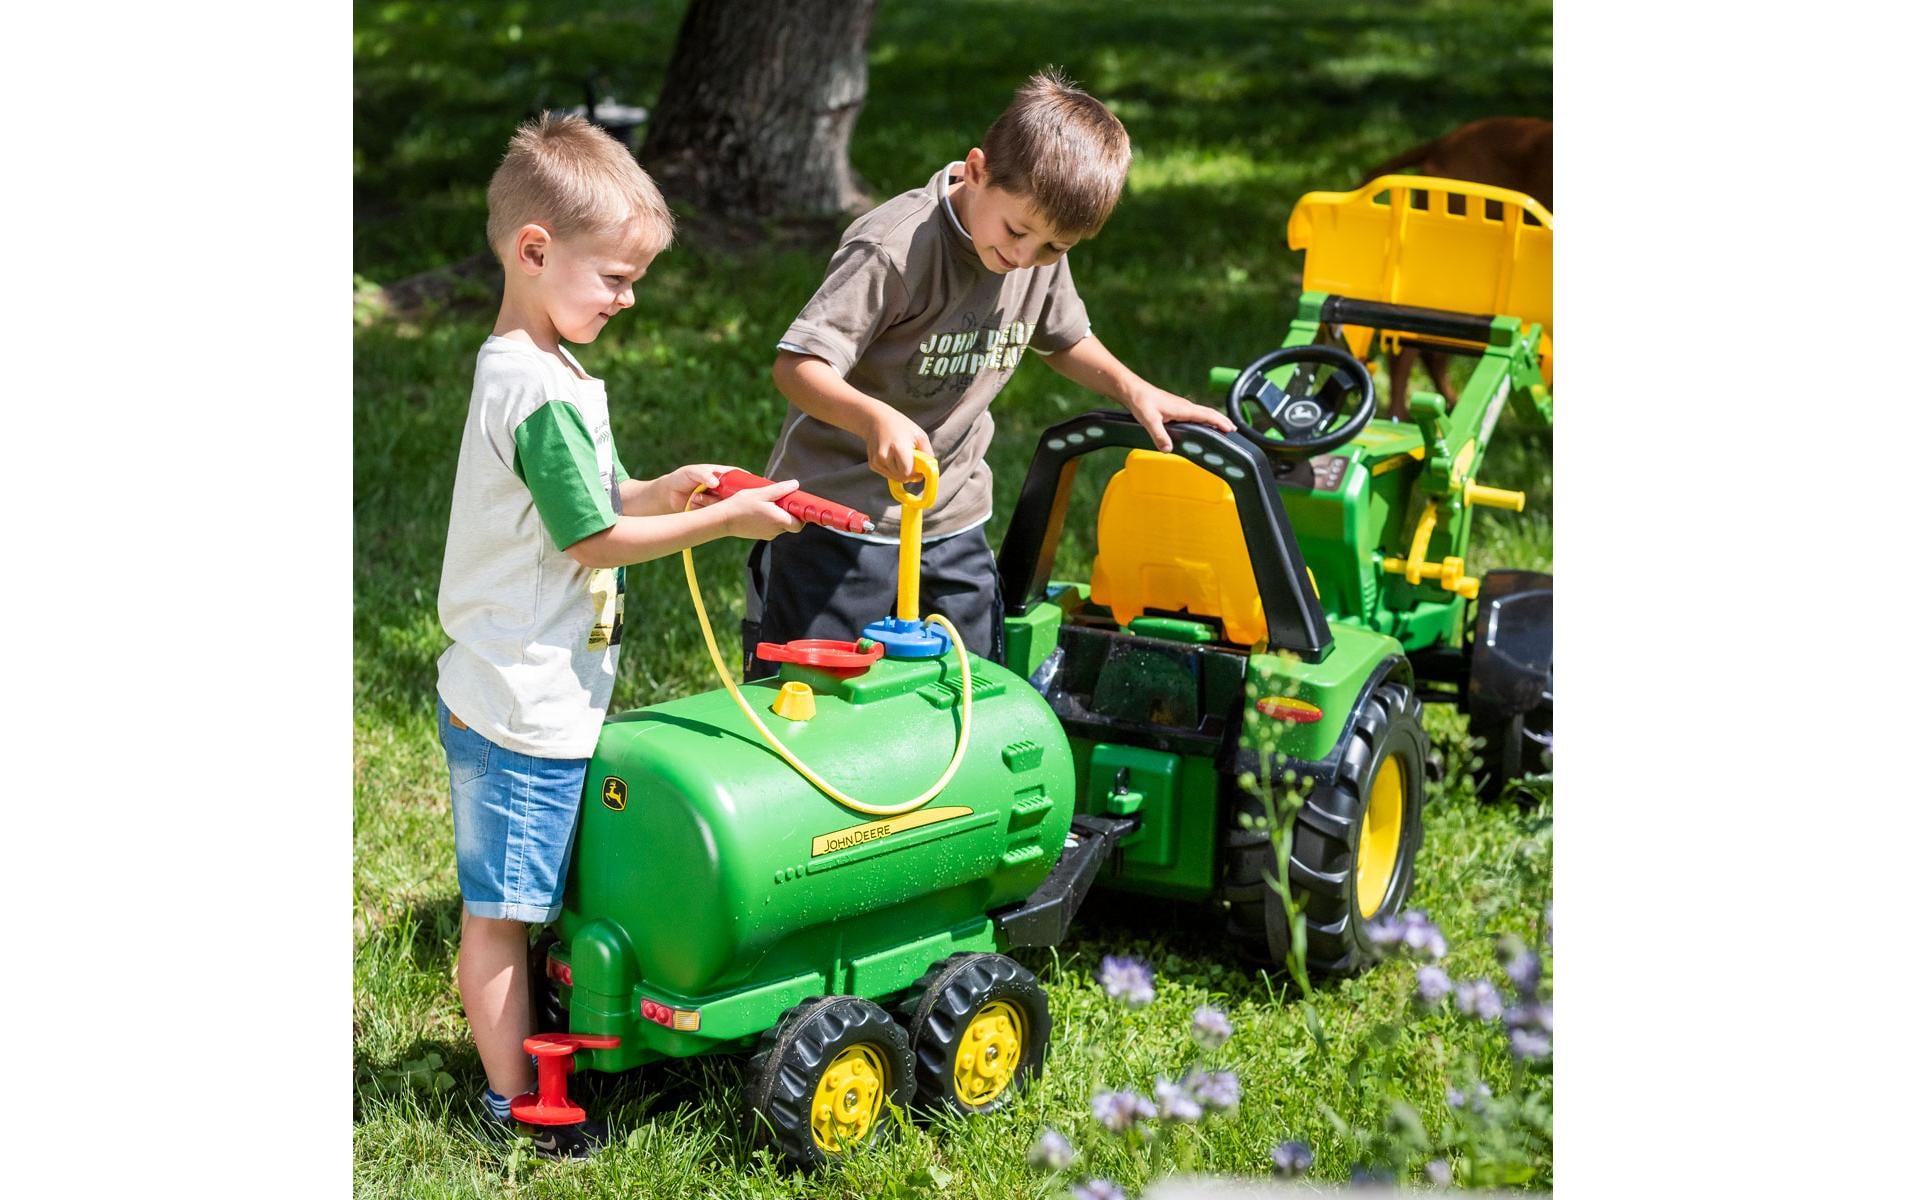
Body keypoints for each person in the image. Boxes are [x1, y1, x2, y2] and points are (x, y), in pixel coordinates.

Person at [434, 113, 802, 1156]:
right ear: (535, 250)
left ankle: (541, 1045)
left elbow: (593, 501)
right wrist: (722, 522)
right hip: (520, 703)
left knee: (534, 895)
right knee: (502, 913)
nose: (629, 297)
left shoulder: (544, 368)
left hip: (540, 689)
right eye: (616, 277)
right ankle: (517, 1104)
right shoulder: (535, 388)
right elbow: (594, 541)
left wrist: (666, 486)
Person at [743, 68, 1234, 674]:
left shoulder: (1034, 248)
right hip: (838, 521)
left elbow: (1061, 338)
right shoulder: (894, 250)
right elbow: (799, 366)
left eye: (1054, 249)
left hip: (952, 516)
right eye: (1018, 232)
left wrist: (1135, 389)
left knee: (967, 687)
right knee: (815, 695)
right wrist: (874, 419)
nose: (1024, 258)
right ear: (976, 171)